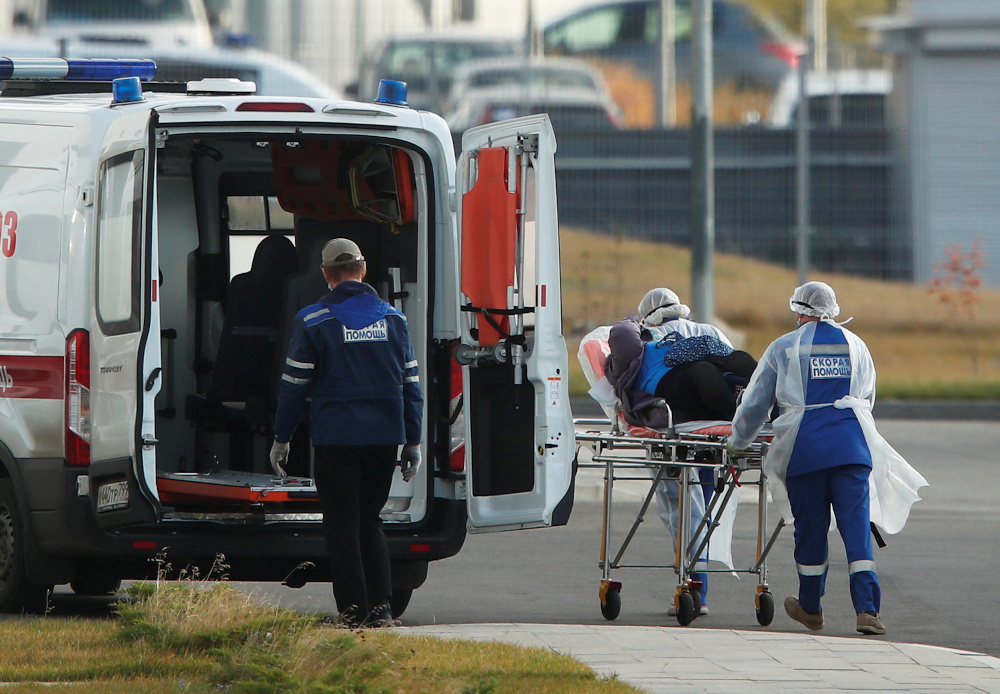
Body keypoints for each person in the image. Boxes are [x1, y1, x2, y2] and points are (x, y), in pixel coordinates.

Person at [726, 281, 928, 636]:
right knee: (857, 530)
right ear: (832, 308)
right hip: (852, 448)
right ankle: (868, 610)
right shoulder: (856, 345)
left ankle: (811, 607)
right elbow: (866, 398)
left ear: (799, 310)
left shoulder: (784, 348)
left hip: (805, 449)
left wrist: (737, 442)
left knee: (811, 531)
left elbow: (756, 402)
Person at [269, 238, 423, 629]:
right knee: (370, 520)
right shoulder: (394, 320)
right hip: (384, 438)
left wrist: (281, 437)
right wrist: (413, 440)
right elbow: (411, 385)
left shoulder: (313, 321)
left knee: (341, 522)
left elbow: (293, 385)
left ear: (325, 274)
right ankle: (382, 608)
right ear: (364, 268)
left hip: (337, 439)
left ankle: (352, 612)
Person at [605, 287, 758, 616]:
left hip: (683, 411)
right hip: (709, 407)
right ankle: (752, 402)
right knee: (701, 500)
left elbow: (625, 372)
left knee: (688, 509)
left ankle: (695, 588)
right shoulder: (707, 330)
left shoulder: (646, 336)